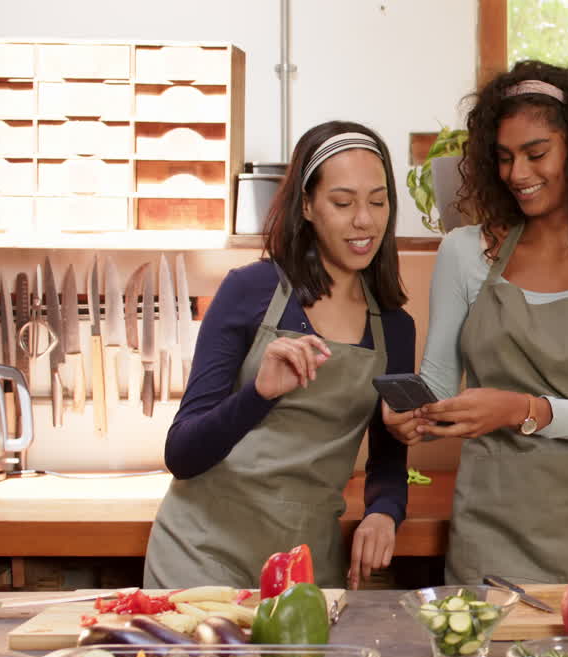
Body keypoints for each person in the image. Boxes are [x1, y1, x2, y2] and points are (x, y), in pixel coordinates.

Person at [382, 60, 568, 586]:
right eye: (504, 157)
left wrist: (522, 410)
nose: (518, 174)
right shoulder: (465, 253)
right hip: (493, 534)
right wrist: (413, 418)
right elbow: (441, 388)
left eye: (537, 154)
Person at [145, 121, 414, 590]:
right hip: (201, 555)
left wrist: (384, 513)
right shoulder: (249, 290)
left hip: (305, 562)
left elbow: (389, 457)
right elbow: (182, 454)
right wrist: (259, 394)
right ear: (307, 206)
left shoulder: (394, 327)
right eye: (343, 202)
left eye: (377, 201)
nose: (364, 221)